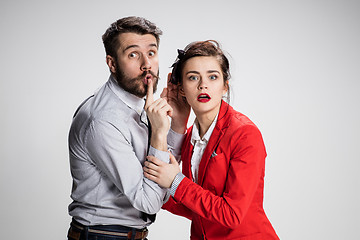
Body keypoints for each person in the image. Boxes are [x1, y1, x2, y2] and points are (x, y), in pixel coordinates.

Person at [67, 16, 188, 240]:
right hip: (103, 235)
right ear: (112, 63)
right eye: (133, 54)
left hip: (121, 234)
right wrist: (160, 133)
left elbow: (162, 179)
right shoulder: (103, 120)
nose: (147, 64)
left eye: (151, 53)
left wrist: (178, 123)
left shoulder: (138, 103)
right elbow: (149, 201)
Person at [143, 40, 279, 239]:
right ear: (181, 89)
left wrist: (175, 181)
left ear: (225, 86)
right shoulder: (190, 136)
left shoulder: (245, 134)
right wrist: (175, 127)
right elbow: (195, 207)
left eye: (212, 77)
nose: (203, 85)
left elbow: (231, 215)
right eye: (192, 78)